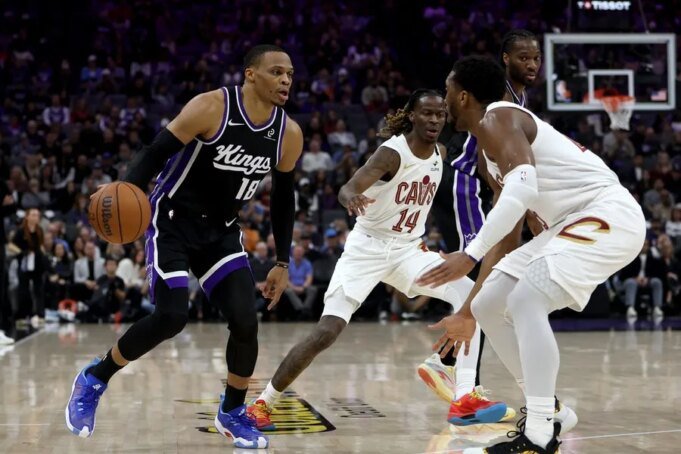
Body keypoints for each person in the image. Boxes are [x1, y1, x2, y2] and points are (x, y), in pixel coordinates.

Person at [65, 44, 303, 449]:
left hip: (221, 232)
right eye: (276, 72)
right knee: (172, 316)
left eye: (290, 74)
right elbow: (154, 153)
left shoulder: (288, 134)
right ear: (250, 74)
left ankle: (232, 413)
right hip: (172, 221)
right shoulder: (212, 107)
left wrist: (282, 260)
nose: (285, 80)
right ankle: (94, 377)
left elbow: (283, 197)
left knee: (246, 321)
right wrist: (123, 194)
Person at [246, 89, 509, 431]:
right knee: (326, 332)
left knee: (472, 296)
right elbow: (348, 188)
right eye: (427, 113)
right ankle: (264, 401)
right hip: (366, 249)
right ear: (412, 116)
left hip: (408, 251)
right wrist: (351, 198)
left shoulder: (441, 153)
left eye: (439, 114)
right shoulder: (391, 154)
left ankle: (463, 396)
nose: (434, 120)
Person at [419, 56, 645, 453]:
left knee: (526, 299)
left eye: (448, 90)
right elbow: (508, 236)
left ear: (464, 96)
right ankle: (552, 410)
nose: (446, 98)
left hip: (606, 212)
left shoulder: (499, 117)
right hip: (567, 225)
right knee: (490, 304)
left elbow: (522, 191)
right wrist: (467, 311)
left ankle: (538, 434)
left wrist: (469, 255)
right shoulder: (487, 153)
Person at [422, 29, 542, 403]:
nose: (531, 64)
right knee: (482, 277)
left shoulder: (519, 97)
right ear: (506, 59)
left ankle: (447, 364)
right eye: (523, 57)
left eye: (535, 58)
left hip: (474, 186)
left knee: (487, 280)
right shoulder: (499, 94)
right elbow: (485, 153)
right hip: (465, 183)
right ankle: (458, 378)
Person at [9, 208, 47, 326]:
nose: (36, 217)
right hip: (24, 263)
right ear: (27, 216)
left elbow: (41, 246)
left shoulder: (40, 230)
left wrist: (44, 256)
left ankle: (40, 315)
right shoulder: (21, 231)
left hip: (37, 262)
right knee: (23, 290)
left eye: (37, 215)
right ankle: (22, 315)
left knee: (39, 290)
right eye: (33, 215)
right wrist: (21, 252)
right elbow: (11, 245)